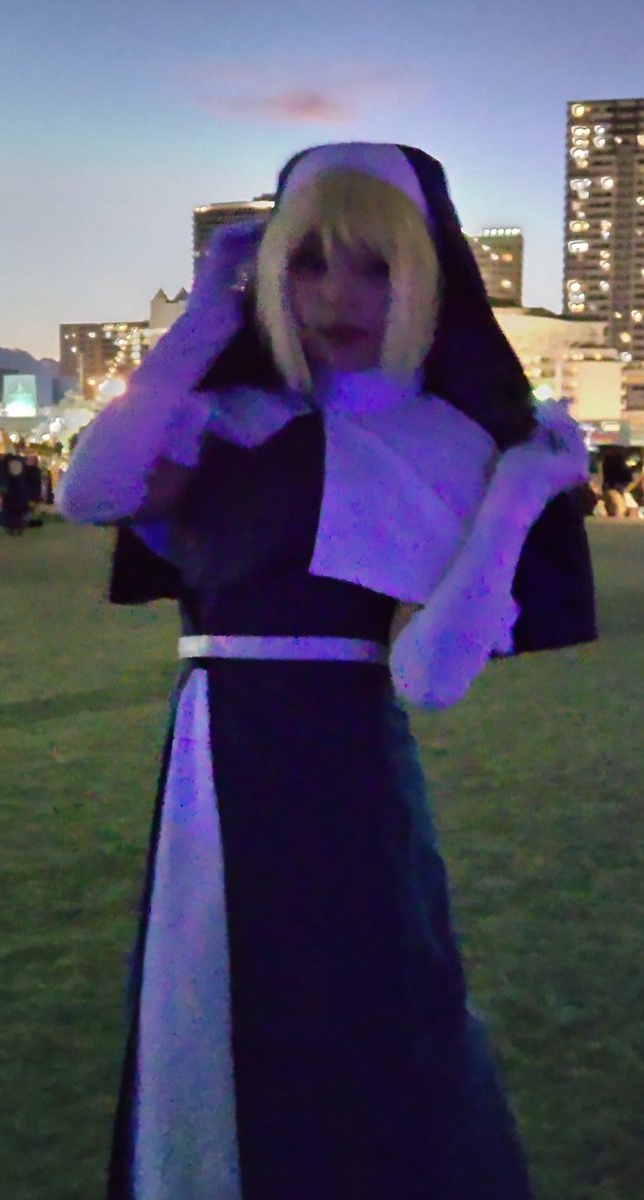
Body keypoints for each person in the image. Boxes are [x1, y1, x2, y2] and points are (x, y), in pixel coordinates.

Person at [58, 142, 596, 1200]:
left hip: (350, 768)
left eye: (374, 266)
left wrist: (520, 493)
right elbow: (92, 493)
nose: (339, 294)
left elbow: (429, 677)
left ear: (422, 278)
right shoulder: (222, 414)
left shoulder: (443, 440)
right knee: (205, 1006)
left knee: (380, 1008)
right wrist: (202, 319)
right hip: (216, 754)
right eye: (307, 262)